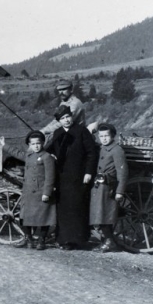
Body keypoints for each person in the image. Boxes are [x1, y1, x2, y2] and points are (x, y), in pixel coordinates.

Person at [46, 105, 97, 250]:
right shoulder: (57, 133)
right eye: (62, 118)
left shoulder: (82, 131)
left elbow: (91, 153)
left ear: (72, 116)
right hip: (62, 177)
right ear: (59, 121)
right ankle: (64, 239)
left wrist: (88, 172)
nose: (66, 120)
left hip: (79, 177)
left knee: (77, 207)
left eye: (68, 116)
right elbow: (48, 150)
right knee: (63, 209)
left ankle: (77, 240)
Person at [4, 130, 56, 250]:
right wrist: (4, 145)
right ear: (29, 145)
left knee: (44, 217)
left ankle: (41, 240)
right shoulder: (29, 156)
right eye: (33, 144)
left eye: (38, 143)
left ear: (43, 143)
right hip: (28, 193)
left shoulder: (47, 157)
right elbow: (17, 153)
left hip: (41, 192)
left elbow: (50, 177)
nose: (36, 146)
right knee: (25, 217)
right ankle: (29, 239)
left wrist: (47, 193)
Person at [90, 123, 128, 252]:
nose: (104, 138)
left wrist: (120, 191)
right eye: (101, 136)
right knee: (99, 214)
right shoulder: (102, 148)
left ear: (112, 136)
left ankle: (109, 242)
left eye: (107, 135)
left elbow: (122, 173)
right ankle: (107, 241)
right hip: (98, 186)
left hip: (108, 187)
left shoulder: (117, 150)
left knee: (105, 215)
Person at [41, 80, 86, 146]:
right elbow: (57, 120)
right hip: (66, 131)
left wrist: (45, 131)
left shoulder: (75, 103)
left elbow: (63, 123)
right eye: (59, 90)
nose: (61, 92)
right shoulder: (63, 102)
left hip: (76, 133)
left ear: (71, 90)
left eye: (64, 89)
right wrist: (43, 130)